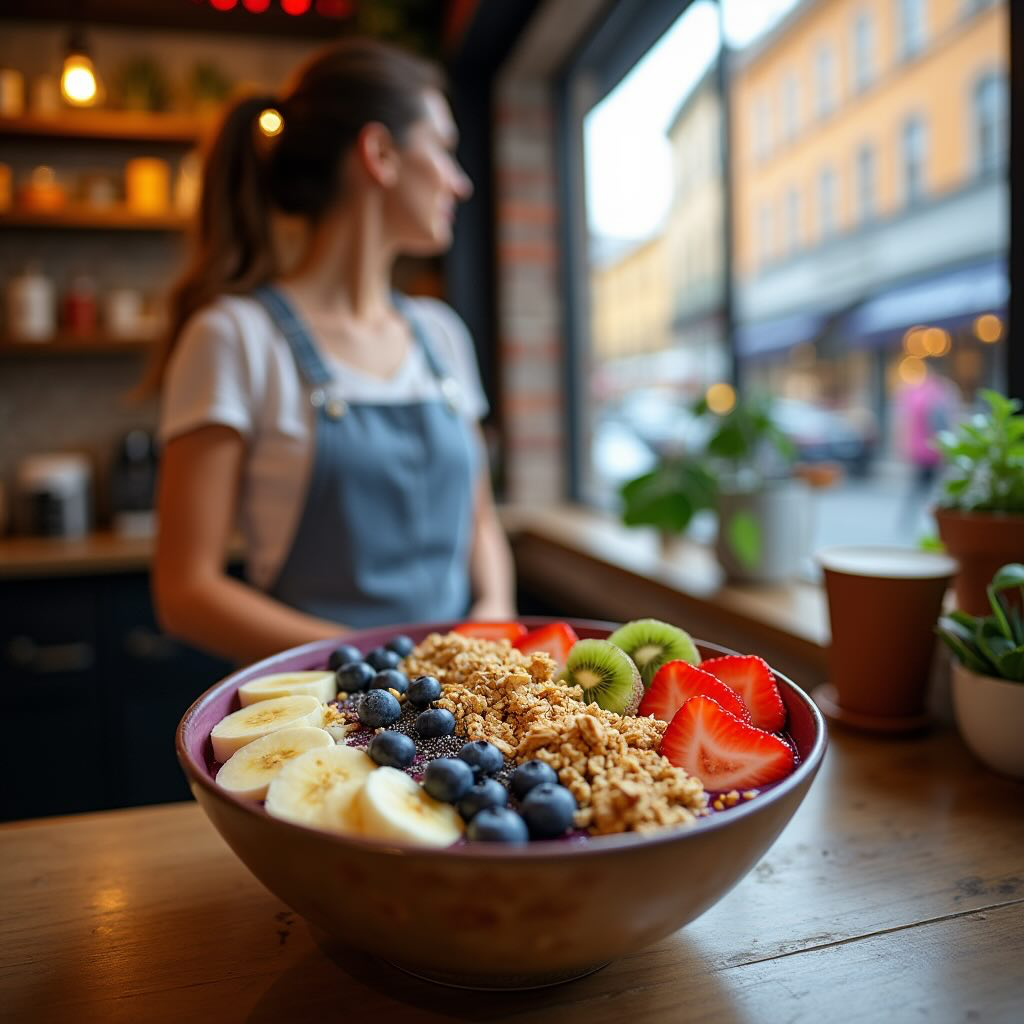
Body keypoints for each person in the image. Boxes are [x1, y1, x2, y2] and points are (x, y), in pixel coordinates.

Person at [146, 38, 516, 664]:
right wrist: (387, 659)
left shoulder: (443, 335)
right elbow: (185, 592)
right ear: (379, 154)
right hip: (321, 713)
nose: (462, 183)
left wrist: (494, 621)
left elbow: (480, 521)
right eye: (445, 149)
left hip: (468, 707)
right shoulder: (235, 338)